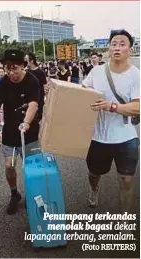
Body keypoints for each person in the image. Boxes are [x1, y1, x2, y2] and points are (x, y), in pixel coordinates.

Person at [82, 29, 140, 214]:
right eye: (114, 43)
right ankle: (94, 188)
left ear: (130, 49)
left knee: (127, 180)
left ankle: (125, 218)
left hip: (126, 137)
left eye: (122, 44)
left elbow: (137, 108)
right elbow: (81, 94)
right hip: (99, 137)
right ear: (108, 48)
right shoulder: (97, 71)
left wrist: (112, 106)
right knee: (94, 174)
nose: (117, 47)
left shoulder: (136, 75)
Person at [0, 49, 40, 214]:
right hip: (10, 132)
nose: (11, 72)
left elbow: (34, 104)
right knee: (9, 166)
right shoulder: (3, 83)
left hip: (29, 132)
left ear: (23, 66)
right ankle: (14, 193)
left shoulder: (32, 80)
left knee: (31, 167)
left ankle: (32, 193)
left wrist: (26, 123)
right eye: (8, 68)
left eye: (15, 68)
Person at [25, 53, 48, 121]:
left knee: (38, 119)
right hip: (28, 100)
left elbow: (45, 86)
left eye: (26, 60)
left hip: (39, 100)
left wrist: (47, 99)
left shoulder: (40, 72)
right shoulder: (26, 72)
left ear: (31, 61)